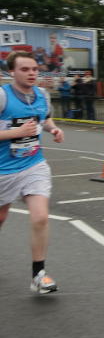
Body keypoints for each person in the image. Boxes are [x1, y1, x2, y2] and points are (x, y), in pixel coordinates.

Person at [0, 51, 65, 294]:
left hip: (32, 164)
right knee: (1, 218)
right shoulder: (2, 97)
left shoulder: (42, 95)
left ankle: (39, 274)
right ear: (11, 72)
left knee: (40, 217)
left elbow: (44, 120)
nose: (31, 74)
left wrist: (54, 129)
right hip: (2, 169)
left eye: (35, 69)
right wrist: (13, 134)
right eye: (25, 69)